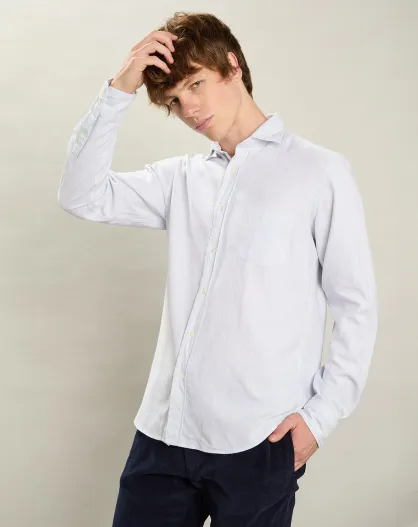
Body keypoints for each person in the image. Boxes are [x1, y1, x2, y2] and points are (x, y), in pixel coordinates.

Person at [57, 11, 378, 527]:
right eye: (174, 101)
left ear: (232, 65)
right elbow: (81, 195)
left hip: (258, 442)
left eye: (195, 85)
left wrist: (319, 419)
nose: (189, 109)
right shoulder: (182, 179)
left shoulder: (319, 172)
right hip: (163, 436)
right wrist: (120, 86)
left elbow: (356, 307)